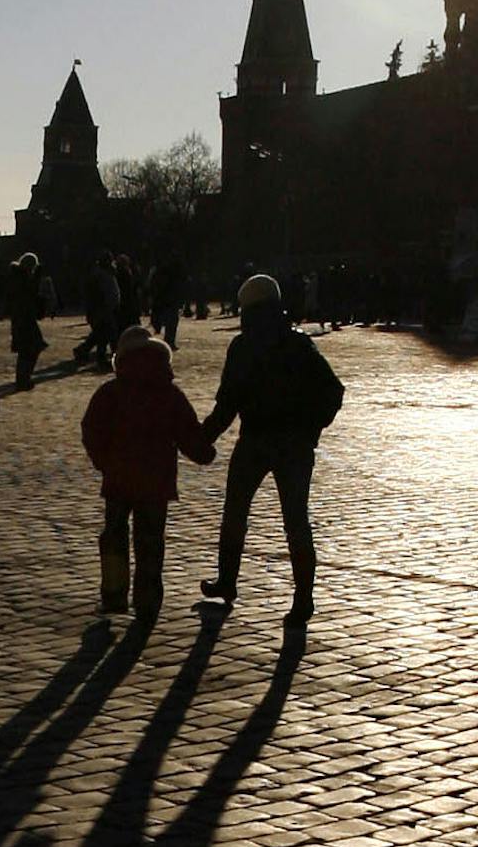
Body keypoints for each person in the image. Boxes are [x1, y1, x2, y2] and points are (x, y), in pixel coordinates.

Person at [200, 273, 343, 628]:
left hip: (256, 438)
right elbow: (332, 392)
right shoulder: (298, 344)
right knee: (296, 521)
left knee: (236, 512)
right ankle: (303, 599)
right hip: (293, 444)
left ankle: (228, 582)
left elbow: (226, 405)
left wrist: (200, 438)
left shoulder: (242, 346)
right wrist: (311, 431)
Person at [81, 326, 215, 623]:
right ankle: (148, 600)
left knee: (115, 537)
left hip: (118, 479)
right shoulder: (168, 394)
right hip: (157, 481)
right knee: (150, 540)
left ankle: (115, 595)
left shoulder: (111, 392)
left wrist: (103, 462)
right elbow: (188, 433)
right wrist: (205, 452)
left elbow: (91, 429)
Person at [7, 252, 48, 390]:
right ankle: (23, 379)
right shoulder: (22, 278)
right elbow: (30, 293)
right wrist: (36, 278)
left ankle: (23, 379)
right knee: (30, 348)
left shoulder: (17, 277)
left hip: (21, 317)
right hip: (24, 318)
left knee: (28, 349)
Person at [76, 253, 122, 372]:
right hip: (103, 309)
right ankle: (101, 358)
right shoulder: (99, 275)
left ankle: (83, 350)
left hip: (106, 308)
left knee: (100, 333)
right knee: (106, 333)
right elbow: (99, 294)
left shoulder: (104, 273)